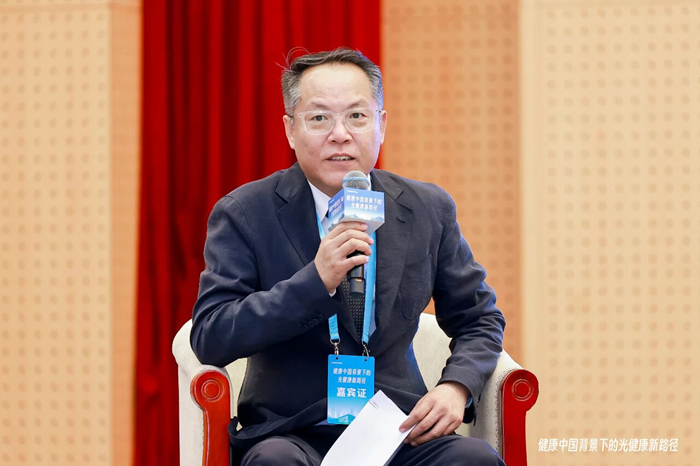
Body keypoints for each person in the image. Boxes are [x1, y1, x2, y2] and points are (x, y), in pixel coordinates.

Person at [190, 47, 506, 465]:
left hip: (397, 431)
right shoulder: (245, 213)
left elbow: (480, 318)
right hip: (290, 432)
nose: (340, 134)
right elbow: (211, 336)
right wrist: (314, 282)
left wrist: (456, 387)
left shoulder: (427, 208)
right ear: (290, 129)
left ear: (381, 124)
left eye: (357, 116)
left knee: (474, 459)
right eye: (319, 118)